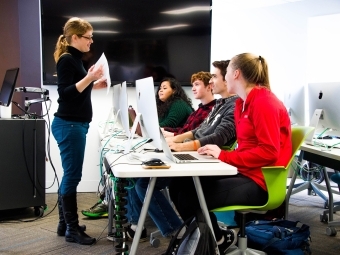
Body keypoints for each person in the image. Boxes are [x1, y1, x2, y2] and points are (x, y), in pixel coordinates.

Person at [169, 53, 292, 254]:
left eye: (224, 73)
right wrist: (218, 156)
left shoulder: (263, 102)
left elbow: (269, 152)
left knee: (190, 197)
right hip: (244, 170)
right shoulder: (240, 104)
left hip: (261, 181)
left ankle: (211, 240)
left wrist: (224, 156)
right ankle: (215, 237)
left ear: (236, 74)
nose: (221, 78)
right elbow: (245, 148)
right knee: (179, 183)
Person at [52, 17, 107, 245]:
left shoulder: (75, 59)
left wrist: (94, 83)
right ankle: (72, 230)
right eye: (88, 37)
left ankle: (64, 224)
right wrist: (89, 77)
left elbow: (77, 90)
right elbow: (65, 93)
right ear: (75, 37)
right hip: (69, 125)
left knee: (69, 175)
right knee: (73, 176)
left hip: (73, 124)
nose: (91, 42)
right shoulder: (66, 60)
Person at [166, 60, 238, 152]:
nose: (210, 81)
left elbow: (218, 138)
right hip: (197, 148)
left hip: (206, 152)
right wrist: (174, 140)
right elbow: (199, 130)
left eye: (214, 77)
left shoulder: (235, 105)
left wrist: (180, 147)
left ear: (226, 80)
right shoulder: (219, 103)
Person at [162, 71, 215, 137]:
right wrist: (163, 129)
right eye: (193, 85)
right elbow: (184, 129)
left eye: (197, 84)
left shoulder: (213, 110)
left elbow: (197, 136)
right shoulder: (200, 109)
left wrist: (173, 135)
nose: (193, 89)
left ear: (209, 87)